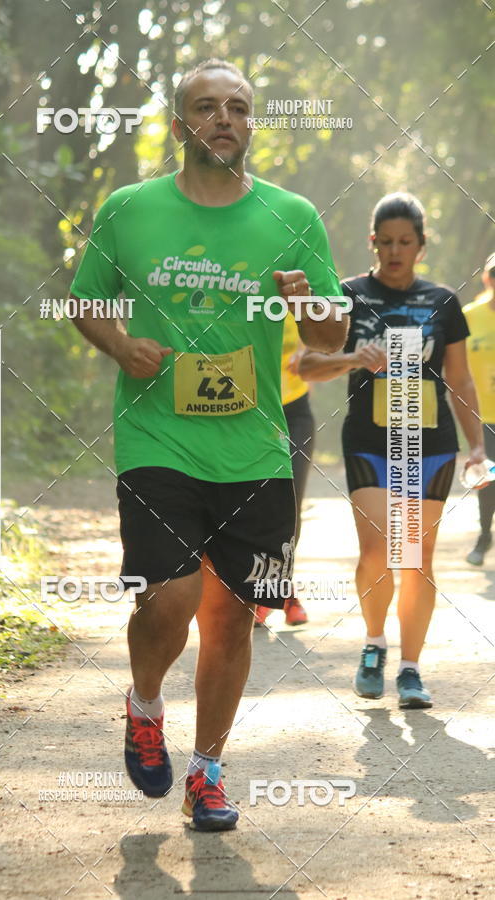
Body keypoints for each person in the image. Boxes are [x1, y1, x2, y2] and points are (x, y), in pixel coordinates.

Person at [68, 58, 347, 831]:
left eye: (238, 107)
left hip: (254, 446)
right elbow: (85, 302)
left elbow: (330, 333)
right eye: (206, 107)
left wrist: (311, 301)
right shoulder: (130, 208)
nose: (223, 118)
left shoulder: (293, 215)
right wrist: (121, 347)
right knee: (173, 596)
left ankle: (208, 771)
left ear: (253, 122)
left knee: (232, 617)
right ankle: (145, 704)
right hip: (157, 434)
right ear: (181, 122)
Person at [299, 192, 486, 709]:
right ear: (372, 243)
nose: (395, 251)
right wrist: (354, 358)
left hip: (430, 443)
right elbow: (306, 365)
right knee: (380, 548)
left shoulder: (444, 302)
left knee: (418, 557)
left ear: (422, 247)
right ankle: (374, 644)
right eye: (386, 242)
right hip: (369, 440)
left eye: (406, 242)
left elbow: (461, 380)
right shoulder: (347, 295)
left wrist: (476, 446)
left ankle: (410, 670)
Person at [254, 315, 314, 627]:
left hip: (294, 409)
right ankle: (257, 589)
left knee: (289, 504)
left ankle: (282, 589)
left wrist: (309, 352)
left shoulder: (293, 293)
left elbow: (325, 338)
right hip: (247, 410)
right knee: (253, 503)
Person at [464, 253, 495, 566]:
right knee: (488, 478)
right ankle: (485, 535)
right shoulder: (470, 315)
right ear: (487, 278)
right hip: (483, 415)